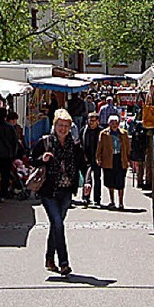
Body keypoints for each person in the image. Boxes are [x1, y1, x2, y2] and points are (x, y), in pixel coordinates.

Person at [32, 108, 86, 276]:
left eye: (66, 126)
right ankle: (64, 262)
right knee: (58, 223)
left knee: (56, 226)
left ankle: (49, 258)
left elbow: (83, 165)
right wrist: (43, 159)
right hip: (49, 191)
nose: (63, 129)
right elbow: (32, 160)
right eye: (60, 125)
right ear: (54, 125)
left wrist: (88, 182)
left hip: (66, 191)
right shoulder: (45, 142)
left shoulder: (74, 145)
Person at [96, 115, 131, 210]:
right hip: (108, 160)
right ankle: (112, 201)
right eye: (112, 123)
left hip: (120, 159)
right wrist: (98, 158)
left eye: (116, 123)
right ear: (109, 123)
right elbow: (100, 147)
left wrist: (129, 159)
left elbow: (127, 147)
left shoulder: (123, 133)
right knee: (109, 181)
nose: (114, 125)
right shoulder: (104, 134)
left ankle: (121, 202)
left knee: (120, 182)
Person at [82, 112, 102, 207]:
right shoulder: (84, 130)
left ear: (97, 121)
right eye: (90, 120)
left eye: (93, 120)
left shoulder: (101, 132)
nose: (91, 122)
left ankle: (97, 199)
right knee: (86, 180)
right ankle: (86, 198)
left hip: (97, 158)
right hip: (86, 158)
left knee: (97, 179)